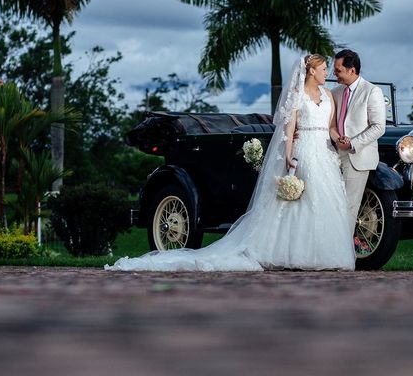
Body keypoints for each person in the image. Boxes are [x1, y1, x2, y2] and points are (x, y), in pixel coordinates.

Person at [106, 54, 355, 271]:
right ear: (311, 71)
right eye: (324, 69)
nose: (327, 74)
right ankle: (291, 253)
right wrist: (289, 155)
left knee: (325, 203)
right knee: (298, 204)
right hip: (304, 149)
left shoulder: (328, 96)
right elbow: (289, 129)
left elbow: (331, 127)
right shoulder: (297, 96)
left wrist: (339, 139)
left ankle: (323, 252)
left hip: (324, 151)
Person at [330, 49, 386, 237]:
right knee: (333, 206)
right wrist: (337, 138)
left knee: (348, 208)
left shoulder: (372, 91)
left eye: (338, 70)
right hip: (333, 155)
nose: (334, 74)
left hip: (357, 157)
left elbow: (379, 127)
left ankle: (343, 256)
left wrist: (353, 143)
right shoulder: (335, 92)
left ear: (351, 70)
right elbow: (330, 122)